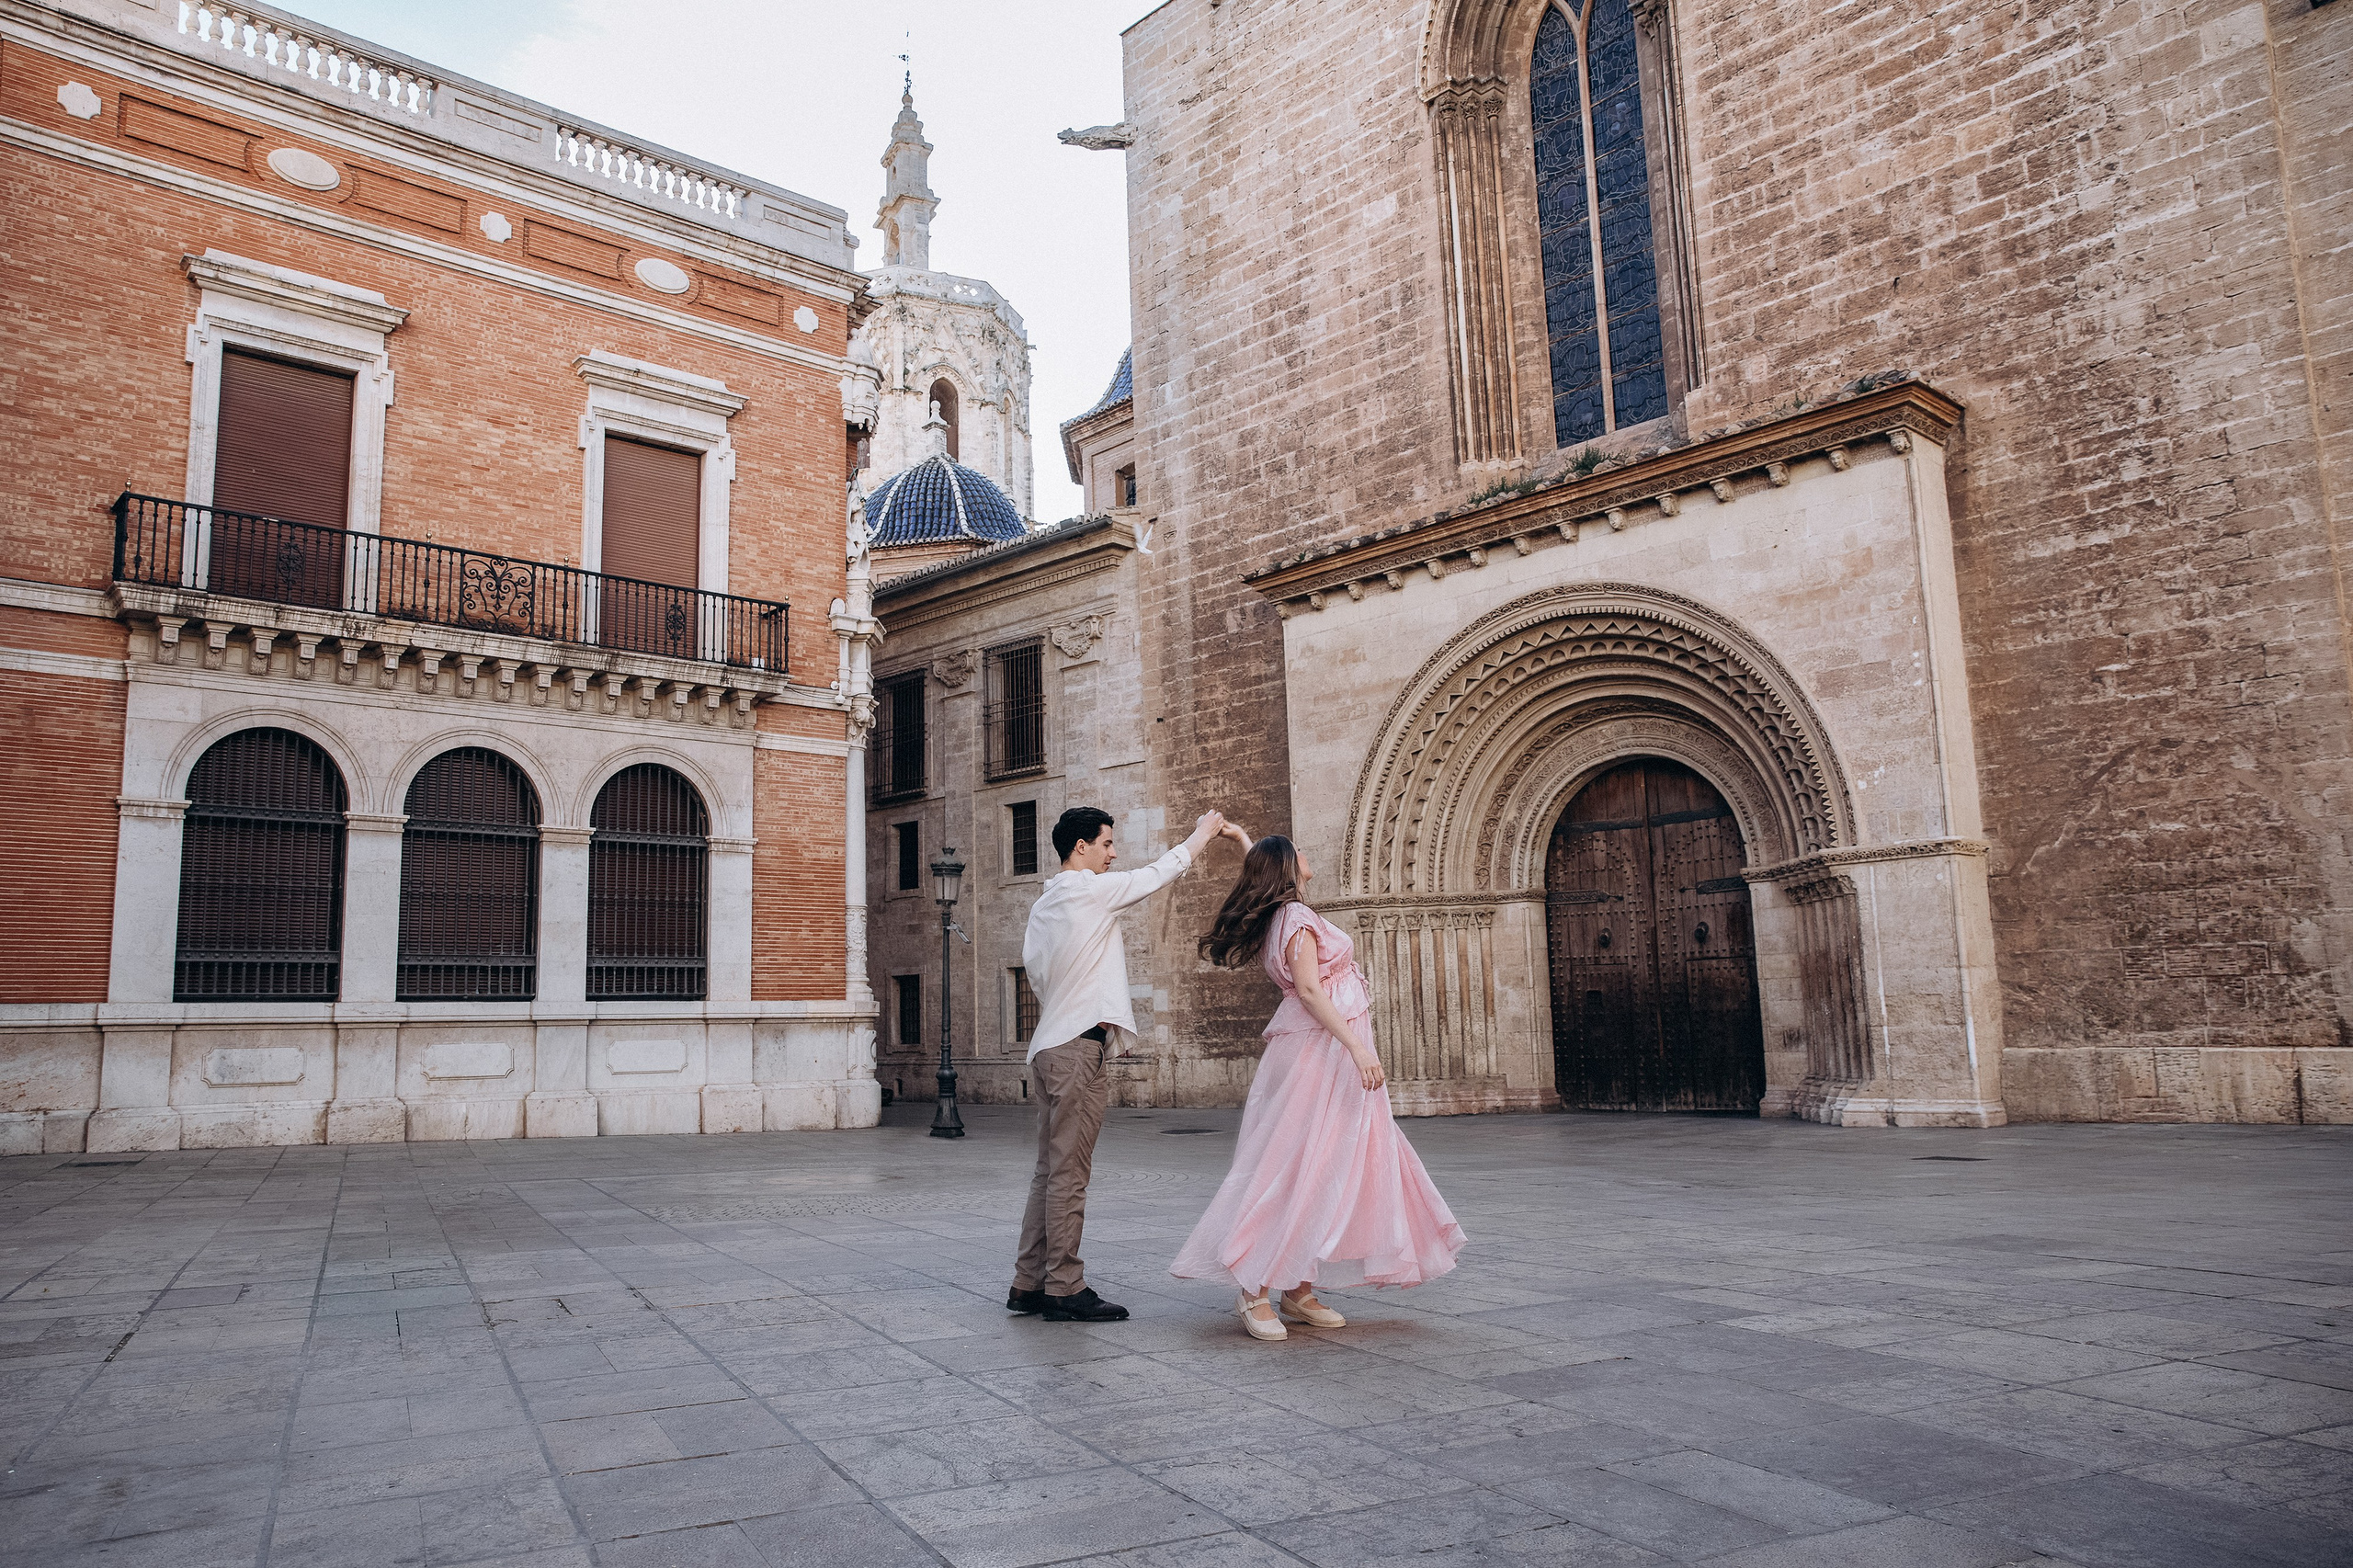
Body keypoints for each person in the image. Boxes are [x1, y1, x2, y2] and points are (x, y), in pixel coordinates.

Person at [1171, 830, 1466, 1340]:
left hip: (1315, 1049)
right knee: (1292, 1163)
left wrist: (1243, 838)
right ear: (1288, 865)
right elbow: (1308, 988)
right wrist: (1357, 1047)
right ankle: (1253, 1288)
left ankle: (1297, 1286)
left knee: (1325, 1161)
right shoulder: (1296, 918)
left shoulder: (1283, 911)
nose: (1307, 853)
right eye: (1297, 849)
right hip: (1318, 1050)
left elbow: (1262, 873)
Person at [1011, 804, 1233, 1324]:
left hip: (1048, 1047)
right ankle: (1064, 1288)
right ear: (1081, 847)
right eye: (1107, 844)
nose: (1113, 854)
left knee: (1048, 1173)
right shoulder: (1085, 890)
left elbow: (1040, 980)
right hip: (1076, 1051)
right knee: (1069, 1175)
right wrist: (1200, 835)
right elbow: (1156, 875)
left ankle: (1028, 1283)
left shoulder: (1045, 904)